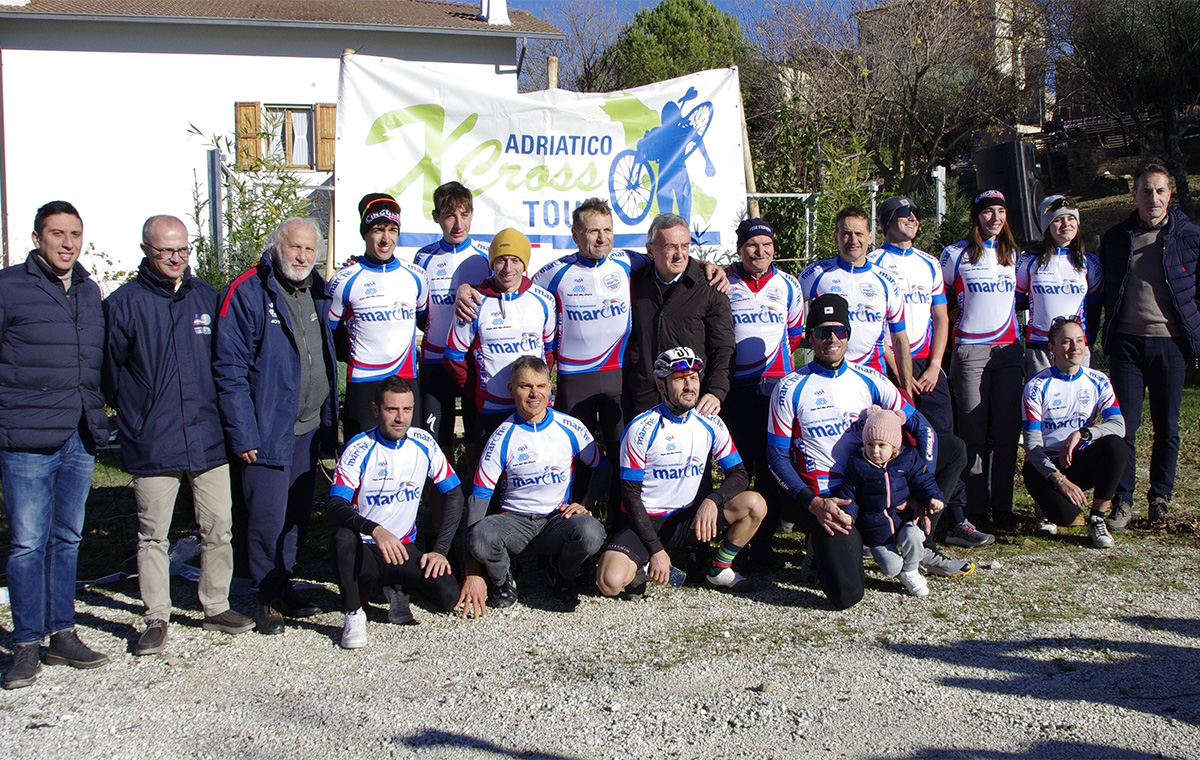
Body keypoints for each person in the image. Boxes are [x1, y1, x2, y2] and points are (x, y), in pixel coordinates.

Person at [103, 215, 255, 656]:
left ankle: (216, 605)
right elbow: (110, 375)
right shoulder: (124, 304)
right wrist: (138, 414)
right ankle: (156, 617)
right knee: (153, 534)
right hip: (152, 439)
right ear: (146, 251)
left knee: (219, 527)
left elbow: (227, 365)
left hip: (207, 438)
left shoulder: (207, 297)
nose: (175, 258)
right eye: (165, 251)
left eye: (182, 250)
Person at [765, 294, 971, 611]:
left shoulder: (870, 379)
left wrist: (919, 490)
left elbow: (924, 429)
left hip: (881, 483)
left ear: (848, 334)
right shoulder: (789, 387)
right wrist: (813, 503)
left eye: (839, 331)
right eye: (821, 332)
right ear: (809, 337)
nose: (831, 339)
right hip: (836, 498)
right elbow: (775, 457)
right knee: (848, 596)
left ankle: (918, 540)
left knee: (954, 448)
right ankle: (819, 547)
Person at [0, 201, 110, 689]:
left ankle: (61, 631)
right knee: (27, 543)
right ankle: (26, 643)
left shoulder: (88, 291)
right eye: (57, 234)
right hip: (24, 437)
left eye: (75, 235)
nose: (68, 244)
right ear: (36, 238)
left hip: (78, 433)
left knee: (67, 538)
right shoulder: (9, 289)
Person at [214, 217, 338, 635]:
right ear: (276, 247)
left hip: (307, 427)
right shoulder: (247, 290)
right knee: (267, 516)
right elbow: (228, 369)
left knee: (297, 515)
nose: (302, 257)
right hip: (267, 428)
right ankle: (265, 596)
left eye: (309, 250)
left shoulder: (317, 290)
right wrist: (243, 432)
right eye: (294, 248)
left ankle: (284, 585)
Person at [870, 197, 992, 549]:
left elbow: (941, 318)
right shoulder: (875, 262)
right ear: (886, 221)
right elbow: (883, 327)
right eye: (901, 214)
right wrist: (902, 376)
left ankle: (952, 519)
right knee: (900, 444)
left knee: (945, 443)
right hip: (893, 365)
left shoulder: (928, 262)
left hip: (930, 365)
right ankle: (895, 521)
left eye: (914, 215)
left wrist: (937, 364)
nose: (910, 219)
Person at [596, 347, 766, 597]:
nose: (689, 386)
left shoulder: (711, 422)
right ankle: (644, 563)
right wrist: (655, 550)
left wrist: (713, 499)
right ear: (661, 386)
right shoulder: (641, 428)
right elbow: (629, 496)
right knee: (609, 582)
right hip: (649, 521)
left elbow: (739, 474)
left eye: (694, 378)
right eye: (679, 379)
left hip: (691, 519)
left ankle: (719, 569)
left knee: (755, 504)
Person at [460, 356, 609, 613]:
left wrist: (587, 502)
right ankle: (504, 579)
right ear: (511, 390)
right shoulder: (502, 436)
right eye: (525, 386)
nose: (534, 393)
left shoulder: (569, 427)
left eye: (540, 386)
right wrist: (471, 568)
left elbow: (603, 468)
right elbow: (478, 499)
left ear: (550, 388)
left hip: (556, 521)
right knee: (480, 535)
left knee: (591, 532)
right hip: (514, 523)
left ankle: (562, 573)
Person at [1097, 163, 1200, 531]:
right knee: (1125, 426)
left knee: (1168, 426)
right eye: (1145, 191)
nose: (1152, 198)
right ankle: (1122, 500)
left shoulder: (1190, 236)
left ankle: (1160, 498)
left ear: (1170, 194)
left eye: (1159, 191)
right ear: (1134, 194)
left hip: (1170, 343)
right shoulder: (1115, 237)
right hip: (1126, 344)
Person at [326, 376, 463, 648]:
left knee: (448, 597)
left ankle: (398, 590)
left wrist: (440, 550)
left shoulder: (423, 441)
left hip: (403, 549)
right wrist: (375, 530)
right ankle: (354, 613)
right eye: (391, 410)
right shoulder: (359, 447)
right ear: (376, 410)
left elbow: (454, 494)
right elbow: (335, 506)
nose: (400, 418)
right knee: (341, 537)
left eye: (407, 410)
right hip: (365, 550)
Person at [940, 189, 1023, 532]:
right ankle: (975, 508)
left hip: (1008, 351)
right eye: (988, 211)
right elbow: (941, 301)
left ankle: (1002, 506)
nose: (995, 218)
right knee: (973, 432)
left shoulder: (1013, 254)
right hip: (970, 351)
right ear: (977, 216)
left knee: (1006, 432)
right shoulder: (954, 254)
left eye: (1001, 211)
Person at [722, 218, 803, 566]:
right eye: (752, 244)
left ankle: (763, 543)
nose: (760, 251)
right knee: (740, 465)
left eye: (766, 245)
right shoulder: (723, 281)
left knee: (772, 467)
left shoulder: (789, 285)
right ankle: (735, 542)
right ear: (740, 248)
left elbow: (796, 334)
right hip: (736, 387)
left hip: (776, 387)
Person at [327, 193, 428, 442]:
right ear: (365, 233)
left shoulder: (416, 276)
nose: (386, 239)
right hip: (363, 382)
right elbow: (328, 334)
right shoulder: (344, 280)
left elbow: (424, 320)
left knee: (408, 456)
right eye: (378, 230)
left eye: (392, 230)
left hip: (405, 378)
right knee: (361, 457)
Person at [443, 228, 556, 445]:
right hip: (491, 408)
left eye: (515, 260)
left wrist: (536, 388)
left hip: (535, 407)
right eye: (501, 260)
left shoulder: (544, 300)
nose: (507, 268)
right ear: (492, 263)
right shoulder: (474, 300)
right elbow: (453, 358)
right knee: (490, 474)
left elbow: (549, 352)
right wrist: (479, 391)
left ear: (524, 264)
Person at [1021, 316, 1126, 549]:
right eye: (1067, 341)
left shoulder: (1098, 380)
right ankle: (1045, 508)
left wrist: (1083, 433)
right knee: (1066, 517)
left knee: (1116, 446)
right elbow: (1032, 447)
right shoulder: (1036, 386)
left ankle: (1097, 519)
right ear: (1052, 348)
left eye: (1079, 340)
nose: (1075, 347)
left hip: (1078, 459)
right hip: (1045, 467)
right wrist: (1059, 481)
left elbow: (1119, 425)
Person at [625, 213, 735, 418]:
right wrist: (633, 347)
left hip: (693, 402)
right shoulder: (635, 283)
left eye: (684, 246)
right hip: (644, 401)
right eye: (670, 247)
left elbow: (724, 348)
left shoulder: (711, 286)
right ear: (650, 250)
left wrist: (715, 392)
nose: (679, 255)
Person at [414, 182, 491, 461]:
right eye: (449, 215)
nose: (458, 224)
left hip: (470, 363)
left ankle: (473, 504)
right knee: (438, 446)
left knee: (476, 442)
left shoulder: (485, 256)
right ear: (436, 217)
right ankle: (441, 504)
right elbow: (421, 314)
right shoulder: (424, 257)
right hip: (435, 363)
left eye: (465, 214)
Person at [800, 206, 913, 392]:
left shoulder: (887, 280)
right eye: (846, 233)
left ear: (870, 236)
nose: (853, 240)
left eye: (859, 233)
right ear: (836, 236)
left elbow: (899, 339)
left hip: (873, 376)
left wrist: (907, 390)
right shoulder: (816, 274)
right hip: (827, 377)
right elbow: (787, 312)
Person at [836, 406, 945, 597]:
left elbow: (923, 480)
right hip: (875, 527)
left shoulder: (908, 460)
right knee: (890, 567)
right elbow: (849, 493)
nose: (875, 451)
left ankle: (911, 570)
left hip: (902, 517)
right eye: (870, 444)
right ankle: (900, 571)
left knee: (915, 537)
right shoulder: (858, 464)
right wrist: (848, 515)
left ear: (894, 446)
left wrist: (933, 498)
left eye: (881, 445)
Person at [1016, 195, 1102, 377]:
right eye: (1058, 220)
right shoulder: (1029, 261)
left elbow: (1095, 305)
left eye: (1071, 218)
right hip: (1040, 347)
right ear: (1047, 225)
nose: (1066, 224)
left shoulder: (1090, 262)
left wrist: (1088, 341)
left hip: (1077, 348)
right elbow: (1015, 302)